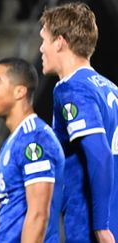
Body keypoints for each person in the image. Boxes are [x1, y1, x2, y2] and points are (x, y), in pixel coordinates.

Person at [39, 2, 118, 242]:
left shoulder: (71, 89)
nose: (41, 49)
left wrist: (101, 224)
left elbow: (100, 154)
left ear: (60, 41)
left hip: (92, 222)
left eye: (44, 40)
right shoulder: (109, 88)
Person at [0, 57, 64, 242]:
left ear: (19, 91)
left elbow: (38, 215)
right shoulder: (15, 139)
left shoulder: (36, 140)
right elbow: (4, 204)